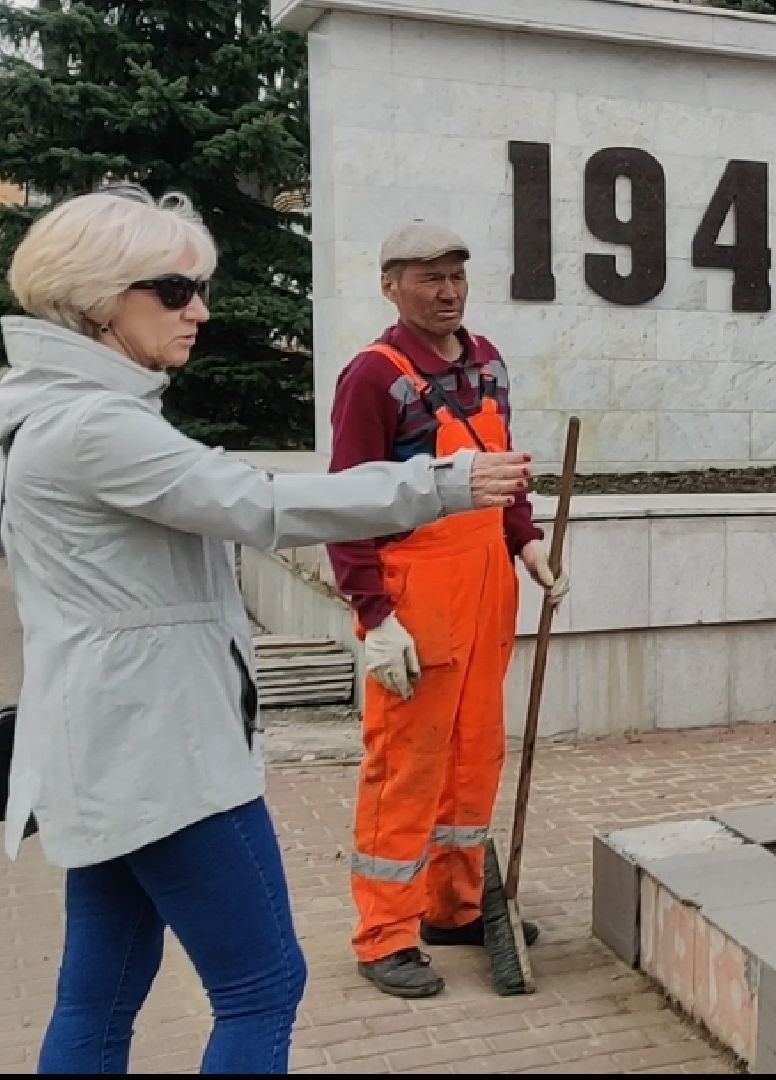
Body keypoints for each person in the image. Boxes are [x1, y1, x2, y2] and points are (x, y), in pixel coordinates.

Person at [0, 185, 533, 1074]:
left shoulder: (47, 411)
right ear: (99, 299)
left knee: (101, 991)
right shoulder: (93, 426)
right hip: (164, 753)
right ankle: (392, 926)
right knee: (262, 986)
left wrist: (514, 531)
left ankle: (449, 903)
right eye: (176, 290)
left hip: (108, 746)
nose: (200, 311)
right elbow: (262, 504)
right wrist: (440, 486)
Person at [326, 221, 569, 999]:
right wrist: (374, 616)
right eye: (429, 277)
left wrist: (526, 542)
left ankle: (456, 907)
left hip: (488, 584)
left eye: (456, 275)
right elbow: (346, 507)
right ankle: (384, 935)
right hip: (417, 598)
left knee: (473, 758)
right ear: (390, 286)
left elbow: (503, 473)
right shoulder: (373, 378)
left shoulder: (487, 361)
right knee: (407, 766)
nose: (448, 291)